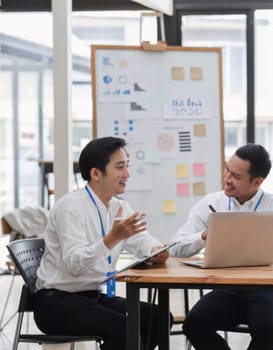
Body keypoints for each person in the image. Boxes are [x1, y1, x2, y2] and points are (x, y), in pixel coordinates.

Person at [33, 136, 171, 350]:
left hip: (93, 296)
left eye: (127, 166)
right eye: (119, 167)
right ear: (96, 173)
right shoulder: (70, 207)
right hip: (57, 303)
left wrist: (155, 250)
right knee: (125, 329)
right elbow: (74, 265)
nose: (127, 174)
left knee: (159, 318)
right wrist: (112, 238)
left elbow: (141, 239)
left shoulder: (118, 206)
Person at [170, 143, 273, 350]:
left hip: (267, 291)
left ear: (257, 182)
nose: (227, 179)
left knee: (269, 327)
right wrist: (203, 236)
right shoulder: (211, 203)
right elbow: (175, 247)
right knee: (194, 324)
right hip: (226, 290)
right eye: (227, 169)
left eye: (236, 176)